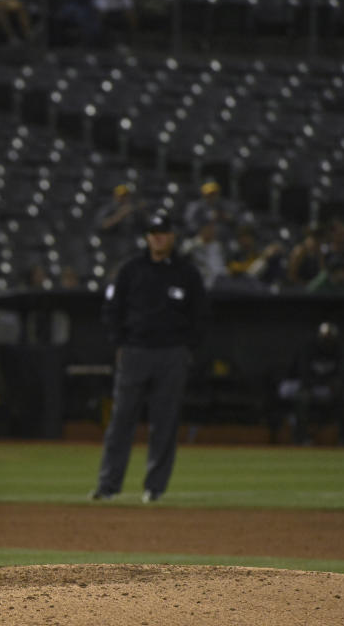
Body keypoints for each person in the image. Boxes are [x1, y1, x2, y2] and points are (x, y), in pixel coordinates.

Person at [91, 210, 206, 503]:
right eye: (153, 233)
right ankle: (108, 486)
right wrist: (119, 343)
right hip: (135, 352)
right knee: (121, 420)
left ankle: (155, 488)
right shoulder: (130, 269)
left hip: (172, 355)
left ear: (173, 236)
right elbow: (112, 309)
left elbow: (201, 315)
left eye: (163, 232)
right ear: (147, 237)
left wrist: (188, 348)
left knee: (164, 422)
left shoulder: (187, 272)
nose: (158, 237)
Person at [284, 322, 344, 446]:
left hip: (330, 389)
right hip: (311, 387)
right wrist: (315, 384)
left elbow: (343, 374)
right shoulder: (308, 349)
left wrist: (336, 384)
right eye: (324, 338)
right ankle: (301, 438)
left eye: (329, 338)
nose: (326, 341)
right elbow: (303, 373)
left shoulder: (340, 351)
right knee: (301, 397)